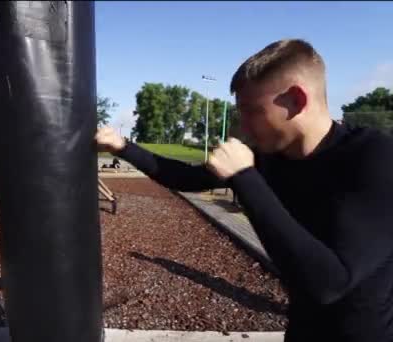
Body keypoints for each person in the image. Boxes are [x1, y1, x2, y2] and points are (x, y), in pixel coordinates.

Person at [95, 39, 393, 342]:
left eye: (251, 111)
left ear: (297, 100)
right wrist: (122, 147)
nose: (244, 127)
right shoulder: (272, 155)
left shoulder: (374, 158)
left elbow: (329, 283)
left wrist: (244, 177)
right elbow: (186, 178)